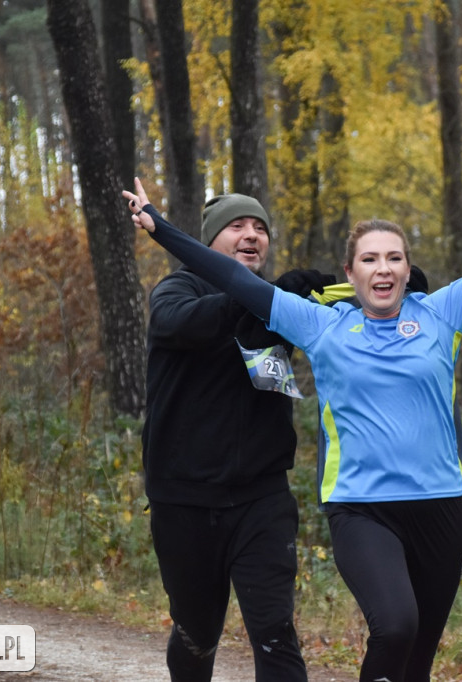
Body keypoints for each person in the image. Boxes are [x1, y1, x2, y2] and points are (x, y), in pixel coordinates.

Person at [124, 156, 462, 682]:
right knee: (393, 625)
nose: (384, 268)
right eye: (369, 259)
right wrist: (160, 228)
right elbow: (234, 282)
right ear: (350, 272)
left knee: (413, 658)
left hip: (437, 504)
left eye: (394, 258)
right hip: (353, 505)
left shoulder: (442, 311)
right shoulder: (319, 323)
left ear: (407, 267)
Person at [141, 192, 332, 682]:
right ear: (210, 241)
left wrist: (400, 284)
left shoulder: (280, 305)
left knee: (274, 630)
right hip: (184, 500)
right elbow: (178, 323)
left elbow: (360, 298)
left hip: (261, 497)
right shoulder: (175, 291)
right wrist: (256, 297)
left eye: (260, 228)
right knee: (198, 634)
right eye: (238, 227)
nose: (251, 235)